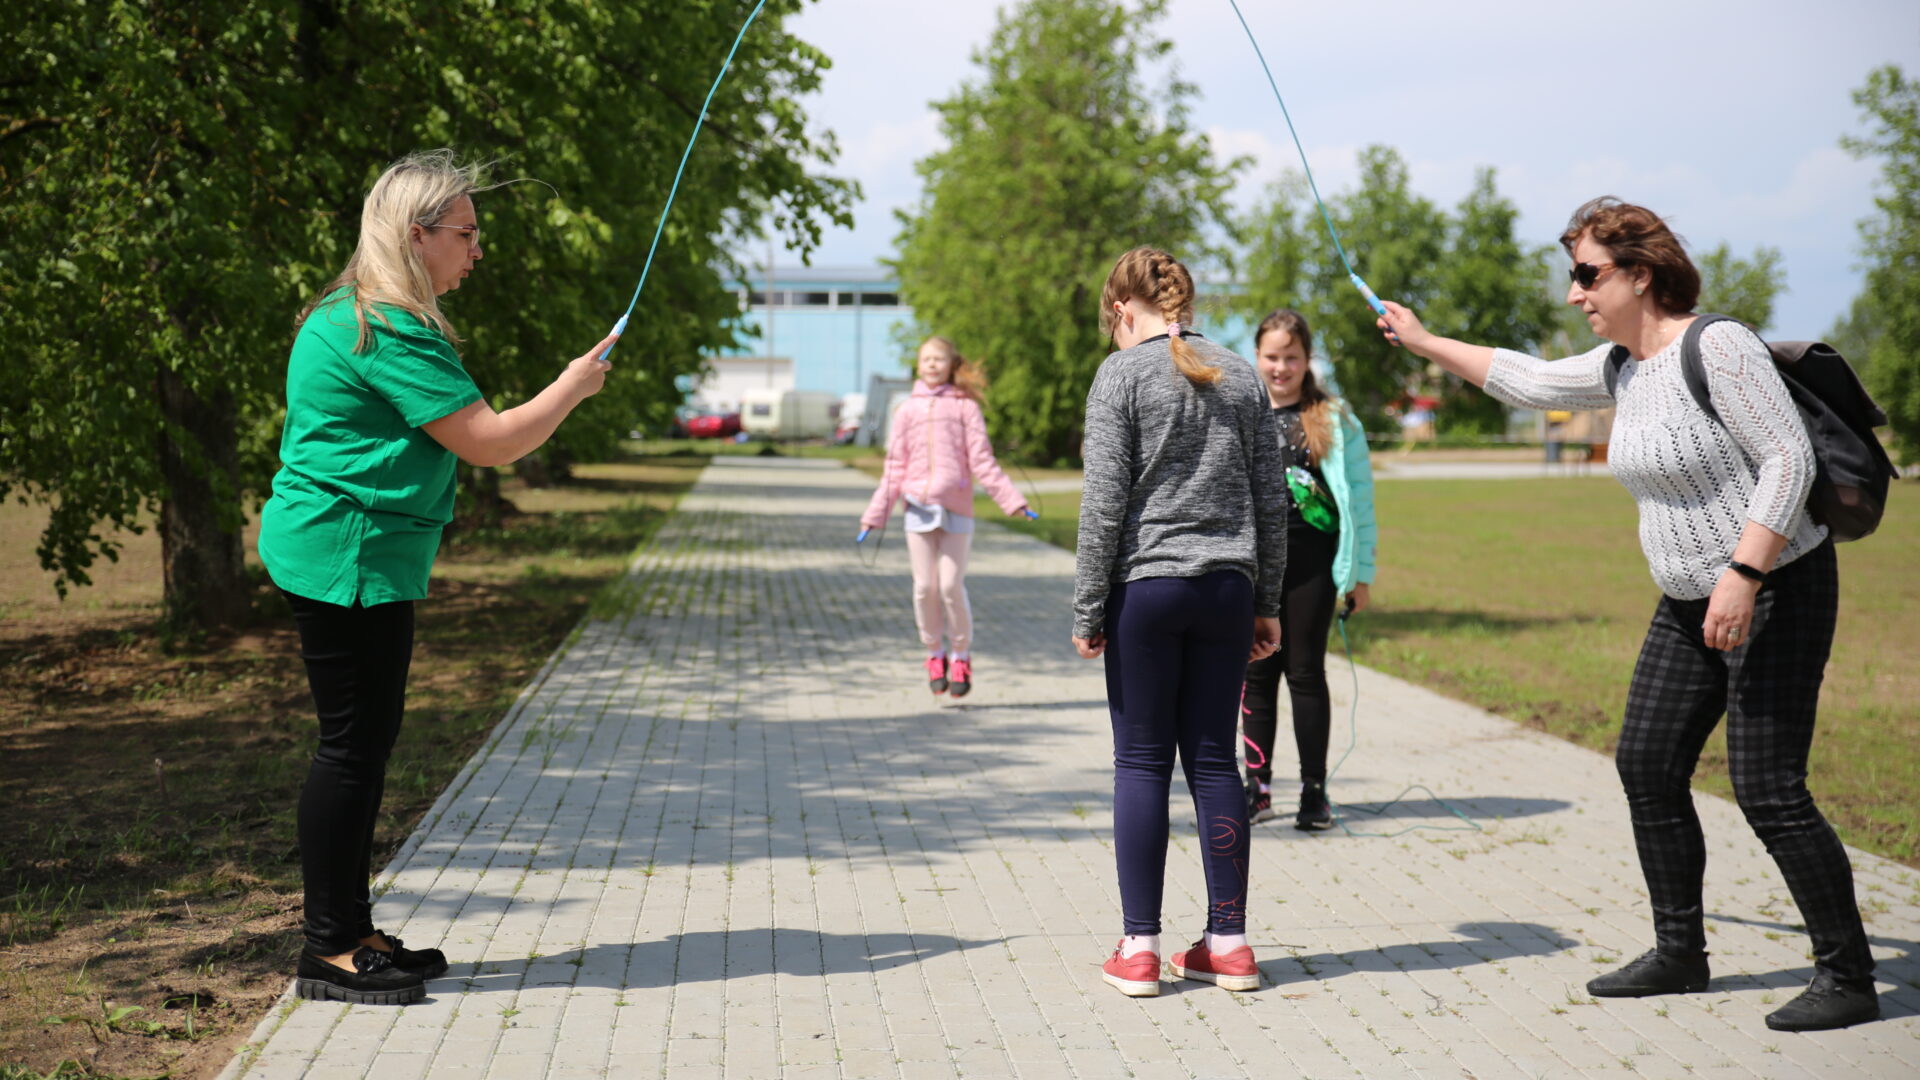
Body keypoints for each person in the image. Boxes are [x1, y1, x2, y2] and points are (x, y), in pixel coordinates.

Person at [1372, 197, 1878, 1033]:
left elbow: (1787, 457)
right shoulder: (1623, 366)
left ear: (1640, 274)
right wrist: (1424, 342)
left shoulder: (1717, 347)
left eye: (1587, 274)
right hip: (1686, 601)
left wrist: (1744, 573)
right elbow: (1528, 380)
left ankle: (1849, 975)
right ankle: (1680, 953)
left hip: (1775, 586)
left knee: (1767, 788)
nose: (1575, 292)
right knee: (1646, 763)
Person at [258, 150, 619, 1005]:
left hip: (354, 556)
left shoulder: (351, 314)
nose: (477, 251)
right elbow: (491, 441)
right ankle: (329, 947)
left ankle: (353, 930)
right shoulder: (384, 327)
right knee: (351, 749)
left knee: (364, 746)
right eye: (467, 233)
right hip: (347, 559)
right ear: (416, 235)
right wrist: (572, 387)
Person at [1072, 247, 1288, 998]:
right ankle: (1228, 944)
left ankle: (1139, 950)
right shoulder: (1241, 374)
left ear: (1121, 310)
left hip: (1149, 590)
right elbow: (1271, 500)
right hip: (1227, 591)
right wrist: (1267, 601)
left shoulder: (1120, 376)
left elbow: (1104, 501)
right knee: (1215, 762)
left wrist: (1088, 606)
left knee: (1140, 763)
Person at [1239, 310, 1377, 830]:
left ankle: (1313, 791)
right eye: (1272, 357)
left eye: (1291, 357)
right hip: (1253, 567)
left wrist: (1361, 574)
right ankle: (1257, 787)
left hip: (1313, 564)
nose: (1281, 367)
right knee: (1255, 674)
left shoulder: (1334, 419)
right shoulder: (1241, 410)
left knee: (1304, 672)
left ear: (1307, 359)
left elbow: (1360, 499)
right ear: (1257, 357)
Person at [859, 337, 1030, 698]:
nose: (932, 364)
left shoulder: (966, 408)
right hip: (917, 508)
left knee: (950, 586)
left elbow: (982, 460)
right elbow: (894, 467)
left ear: (952, 365)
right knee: (925, 587)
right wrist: (876, 514)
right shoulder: (905, 410)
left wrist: (1011, 501)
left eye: (939, 359)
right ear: (918, 365)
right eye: (926, 359)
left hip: (957, 508)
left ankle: (961, 655)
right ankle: (934, 653)